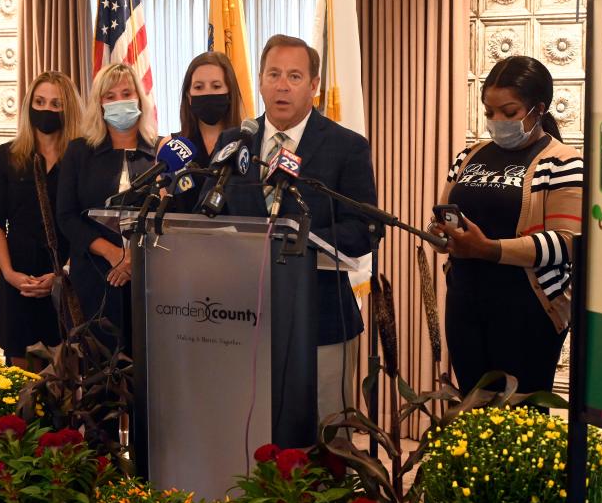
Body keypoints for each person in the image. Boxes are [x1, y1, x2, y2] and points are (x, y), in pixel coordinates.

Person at [201, 34, 377, 423]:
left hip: (323, 315)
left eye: (294, 76)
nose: (282, 85)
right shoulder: (235, 142)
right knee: (251, 425)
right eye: (274, 74)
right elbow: (208, 214)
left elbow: (363, 230)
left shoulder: (346, 146)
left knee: (327, 430)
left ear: (313, 86)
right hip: (242, 316)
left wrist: (294, 238)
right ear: (260, 81)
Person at [430, 55, 581, 395]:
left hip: (528, 310)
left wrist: (490, 250)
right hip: (466, 303)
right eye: (489, 112)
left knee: (520, 414)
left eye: (509, 113)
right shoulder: (467, 157)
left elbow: (568, 243)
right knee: (473, 407)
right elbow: (443, 213)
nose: (497, 121)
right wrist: (441, 234)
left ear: (538, 109)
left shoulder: (563, 162)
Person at [0, 72, 83, 368]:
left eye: (56, 103)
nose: (47, 110)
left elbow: (88, 223)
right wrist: (10, 273)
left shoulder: (80, 159)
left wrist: (62, 273)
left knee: (67, 378)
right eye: (40, 102)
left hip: (67, 280)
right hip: (19, 280)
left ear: (68, 109)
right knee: (20, 380)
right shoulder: (7, 156)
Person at [57, 63, 157, 353]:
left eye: (127, 93)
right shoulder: (79, 151)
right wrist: (114, 253)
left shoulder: (160, 151)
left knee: (148, 368)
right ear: (99, 103)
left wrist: (132, 259)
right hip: (94, 277)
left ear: (140, 97)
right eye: (110, 96)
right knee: (99, 368)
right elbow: (66, 216)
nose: (119, 101)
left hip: (149, 279)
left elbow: (169, 218)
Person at [159, 51, 245, 212]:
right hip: (181, 236)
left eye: (216, 86)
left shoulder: (246, 144)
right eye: (199, 87)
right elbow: (164, 211)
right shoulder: (171, 146)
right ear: (189, 96)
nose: (208, 93)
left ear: (230, 94)